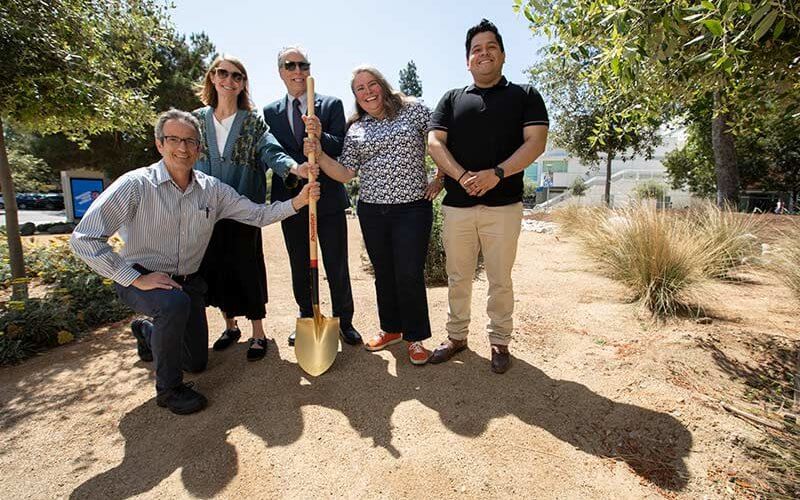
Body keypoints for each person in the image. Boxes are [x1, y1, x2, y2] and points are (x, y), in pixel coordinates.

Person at [70, 109, 319, 414]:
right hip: (142, 278)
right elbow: (84, 238)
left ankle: (147, 333)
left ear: (199, 149)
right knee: (172, 305)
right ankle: (169, 390)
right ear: (160, 144)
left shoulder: (212, 190)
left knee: (197, 362)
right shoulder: (135, 185)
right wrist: (134, 278)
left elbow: (256, 214)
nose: (183, 148)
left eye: (190, 141)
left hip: (187, 284)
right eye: (174, 139)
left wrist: (298, 201)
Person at [426, 19, 549, 373]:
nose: (483, 53)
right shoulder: (451, 99)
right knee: (457, 276)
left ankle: (499, 341)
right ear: (468, 60)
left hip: (504, 207)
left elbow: (536, 143)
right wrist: (462, 175)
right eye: (476, 49)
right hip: (457, 208)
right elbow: (435, 143)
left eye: (490, 47)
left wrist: (497, 174)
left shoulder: (525, 95)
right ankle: (456, 337)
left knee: (499, 279)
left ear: (503, 55)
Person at [304, 65, 435, 365]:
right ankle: (392, 329)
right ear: (355, 96)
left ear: (383, 86)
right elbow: (346, 173)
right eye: (360, 89)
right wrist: (320, 153)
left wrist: (440, 178)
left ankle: (415, 338)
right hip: (373, 211)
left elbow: (441, 140)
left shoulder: (413, 112)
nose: (367, 92)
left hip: (412, 207)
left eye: (372, 84)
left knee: (408, 272)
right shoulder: (356, 129)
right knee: (384, 272)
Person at [193, 55, 313, 361]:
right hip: (204, 210)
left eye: (237, 76)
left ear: (243, 83)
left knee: (247, 268)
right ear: (213, 77)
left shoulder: (252, 122)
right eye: (223, 73)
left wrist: (295, 169)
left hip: (243, 207)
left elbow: (271, 151)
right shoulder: (195, 121)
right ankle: (230, 326)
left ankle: (258, 333)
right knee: (215, 268)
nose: (229, 80)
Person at [263, 46, 361, 347]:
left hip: (327, 196)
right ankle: (307, 316)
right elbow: (272, 153)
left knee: (336, 262)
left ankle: (345, 320)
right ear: (281, 72)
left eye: (302, 65)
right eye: (290, 66)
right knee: (298, 261)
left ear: (309, 69)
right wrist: (296, 171)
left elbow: (341, 146)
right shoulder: (270, 112)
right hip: (293, 198)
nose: (297, 71)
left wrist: (320, 135)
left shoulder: (330, 105)